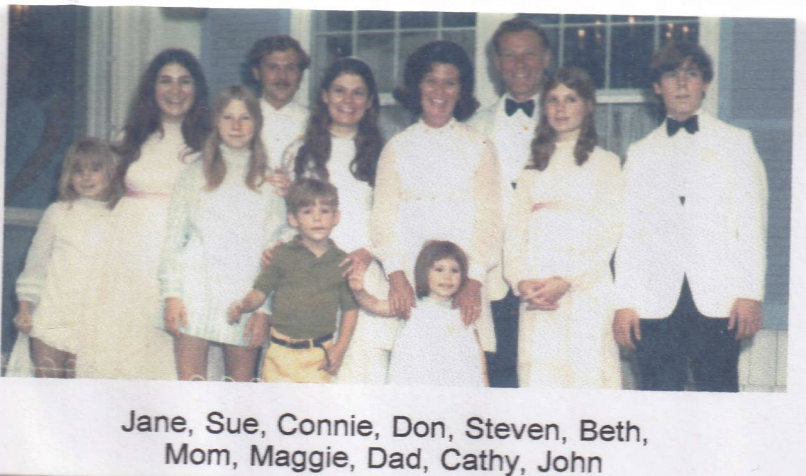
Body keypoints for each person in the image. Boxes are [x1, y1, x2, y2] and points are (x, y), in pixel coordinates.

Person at [613, 41, 768, 392]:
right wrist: (625, 303)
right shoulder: (639, 153)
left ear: (705, 84)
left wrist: (750, 293)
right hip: (654, 304)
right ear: (657, 87)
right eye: (671, 74)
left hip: (719, 301)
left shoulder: (737, 143)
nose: (681, 83)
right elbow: (630, 236)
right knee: (657, 402)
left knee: (718, 399)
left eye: (691, 74)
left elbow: (752, 225)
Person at [78, 49, 211, 380]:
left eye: (184, 82)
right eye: (165, 81)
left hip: (178, 258)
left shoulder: (210, 144)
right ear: (152, 89)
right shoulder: (130, 139)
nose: (175, 90)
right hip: (126, 258)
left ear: (197, 90)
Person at [371, 40, 503, 357]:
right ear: (417, 85)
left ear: (462, 89)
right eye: (431, 81)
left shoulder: (479, 145)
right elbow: (382, 220)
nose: (440, 92)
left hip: (463, 278)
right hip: (410, 278)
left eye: (450, 82)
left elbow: (490, 220)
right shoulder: (397, 147)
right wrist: (397, 277)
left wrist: (473, 280)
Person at [504, 66, 623, 389]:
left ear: (588, 105)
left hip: (585, 287)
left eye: (570, 99)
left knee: (587, 377)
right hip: (539, 291)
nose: (560, 108)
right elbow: (515, 229)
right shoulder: (532, 165)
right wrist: (522, 281)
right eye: (553, 100)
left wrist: (567, 279)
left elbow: (609, 231)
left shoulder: (606, 163)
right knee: (542, 381)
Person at [159, 86, 286, 382]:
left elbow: (274, 253)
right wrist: (172, 295)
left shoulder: (268, 181)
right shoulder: (195, 173)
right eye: (228, 117)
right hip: (195, 291)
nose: (236, 126)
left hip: (244, 296)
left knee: (238, 393)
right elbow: (174, 239)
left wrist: (262, 309)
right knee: (191, 390)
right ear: (216, 122)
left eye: (245, 118)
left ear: (257, 123)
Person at [283, 57, 395, 384]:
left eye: (358, 93)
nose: (348, 101)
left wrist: (369, 252)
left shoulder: (384, 154)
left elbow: (391, 218)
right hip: (310, 275)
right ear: (324, 96)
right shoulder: (300, 152)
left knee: (361, 380)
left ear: (370, 102)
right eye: (340, 91)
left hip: (361, 272)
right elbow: (288, 218)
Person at [468, 18, 553, 388]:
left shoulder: (568, 120)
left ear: (546, 59)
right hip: (493, 279)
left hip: (549, 280)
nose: (520, 64)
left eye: (529, 54)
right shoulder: (474, 126)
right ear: (496, 64)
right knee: (498, 382)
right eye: (509, 55)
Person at [9, 138, 123, 378]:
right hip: (52, 315)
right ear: (68, 176)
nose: (86, 177)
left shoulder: (120, 216)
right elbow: (35, 265)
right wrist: (25, 307)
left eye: (94, 169)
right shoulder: (58, 213)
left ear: (110, 173)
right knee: (47, 390)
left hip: (93, 321)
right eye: (78, 171)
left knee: (79, 394)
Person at [229, 179, 358, 383]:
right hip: (279, 355)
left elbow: (350, 309)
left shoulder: (342, 262)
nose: (317, 218)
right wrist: (244, 305)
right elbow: (260, 292)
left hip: (319, 356)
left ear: (336, 217)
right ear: (293, 219)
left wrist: (340, 348)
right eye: (307, 212)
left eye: (324, 211)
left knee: (314, 413)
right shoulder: (280, 255)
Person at [364, 241, 486, 387]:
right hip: (417, 383)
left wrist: (484, 389)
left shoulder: (464, 312)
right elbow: (376, 305)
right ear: (424, 272)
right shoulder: (412, 305)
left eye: (454, 271)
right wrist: (358, 290)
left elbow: (478, 359)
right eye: (439, 270)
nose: (447, 277)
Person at [247, 35, 310, 169]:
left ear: (301, 75)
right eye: (273, 67)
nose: (282, 76)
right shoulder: (241, 118)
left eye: (290, 68)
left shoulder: (313, 122)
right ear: (257, 73)